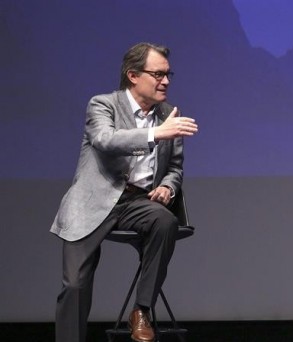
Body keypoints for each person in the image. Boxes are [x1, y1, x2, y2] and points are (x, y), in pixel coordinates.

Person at [51, 42, 199, 342]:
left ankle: (141, 310)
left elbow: (174, 167)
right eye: (158, 74)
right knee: (76, 286)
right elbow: (106, 140)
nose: (166, 81)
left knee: (165, 221)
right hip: (93, 202)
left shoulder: (169, 113)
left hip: (137, 202)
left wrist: (167, 188)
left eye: (168, 74)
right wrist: (154, 134)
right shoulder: (103, 104)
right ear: (133, 75)